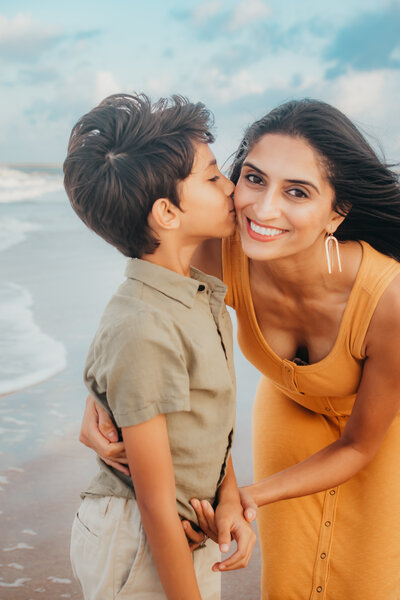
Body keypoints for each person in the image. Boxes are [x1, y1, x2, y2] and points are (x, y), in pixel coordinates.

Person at [80, 98, 400, 600]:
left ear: (336, 213)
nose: (262, 208)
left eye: (297, 191)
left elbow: (359, 445)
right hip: (288, 409)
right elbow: (145, 305)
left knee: (373, 579)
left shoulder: (390, 301)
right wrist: (101, 399)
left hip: (379, 430)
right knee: (290, 577)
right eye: (253, 178)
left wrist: (241, 498)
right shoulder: (219, 247)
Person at [63, 93, 255, 600]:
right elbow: (151, 502)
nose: (231, 187)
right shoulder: (145, 325)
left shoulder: (198, 294)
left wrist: (229, 498)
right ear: (168, 212)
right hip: (137, 535)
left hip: (182, 524)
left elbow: (207, 422)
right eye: (213, 178)